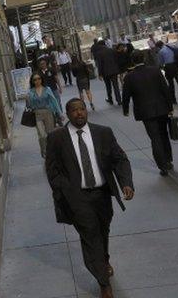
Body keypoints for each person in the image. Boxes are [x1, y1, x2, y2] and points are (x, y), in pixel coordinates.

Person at [45, 99, 134, 298]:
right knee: (90, 235)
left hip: (102, 194)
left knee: (103, 231)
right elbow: (52, 171)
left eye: (82, 109)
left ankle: (103, 259)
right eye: (74, 110)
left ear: (86, 111)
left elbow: (119, 159)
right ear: (67, 114)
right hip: (77, 198)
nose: (79, 113)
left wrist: (126, 183)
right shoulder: (56, 138)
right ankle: (104, 283)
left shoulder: (103, 133)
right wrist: (67, 192)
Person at [122, 50, 175, 176]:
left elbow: (125, 96)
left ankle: (162, 166)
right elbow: (165, 89)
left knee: (155, 138)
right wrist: (170, 106)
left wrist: (125, 110)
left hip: (145, 112)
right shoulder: (155, 71)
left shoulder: (129, 77)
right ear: (144, 58)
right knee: (164, 135)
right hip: (162, 108)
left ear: (133, 61)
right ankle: (168, 160)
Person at [27, 73, 63, 157]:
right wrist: (28, 99)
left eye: (39, 78)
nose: (37, 81)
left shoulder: (47, 89)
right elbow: (30, 106)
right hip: (37, 114)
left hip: (48, 112)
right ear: (32, 81)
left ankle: (52, 151)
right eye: (35, 79)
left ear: (41, 79)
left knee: (50, 133)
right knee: (42, 135)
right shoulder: (31, 92)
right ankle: (44, 151)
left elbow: (54, 101)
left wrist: (60, 113)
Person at [155, 41, 178, 105]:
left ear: (158, 47)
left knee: (171, 84)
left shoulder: (161, 52)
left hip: (169, 68)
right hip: (177, 65)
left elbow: (161, 64)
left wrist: (160, 68)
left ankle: (173, 100)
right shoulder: (171, 46)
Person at [96, 40, 122, 105]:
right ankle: (119, 100)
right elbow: (116, 59)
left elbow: (100, 64)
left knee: (108, 86)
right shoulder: (111, 50)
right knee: (116, 85)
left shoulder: (99, 53)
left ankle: (110, 99)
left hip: (105, 72)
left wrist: (100, 74)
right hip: (114, 71)